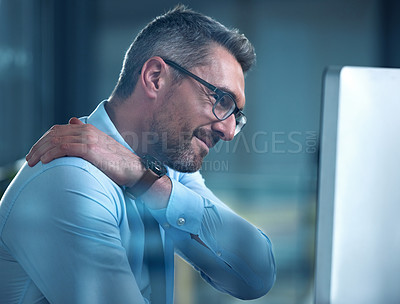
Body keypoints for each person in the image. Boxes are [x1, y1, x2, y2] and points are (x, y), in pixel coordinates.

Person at [0, 5, 276, 304]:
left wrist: (145, 179)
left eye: (236, 115)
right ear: (156, 77)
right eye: (221, 100)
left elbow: (257, 275)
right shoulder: (70, 177)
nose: (229, 131)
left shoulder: (167, 169)